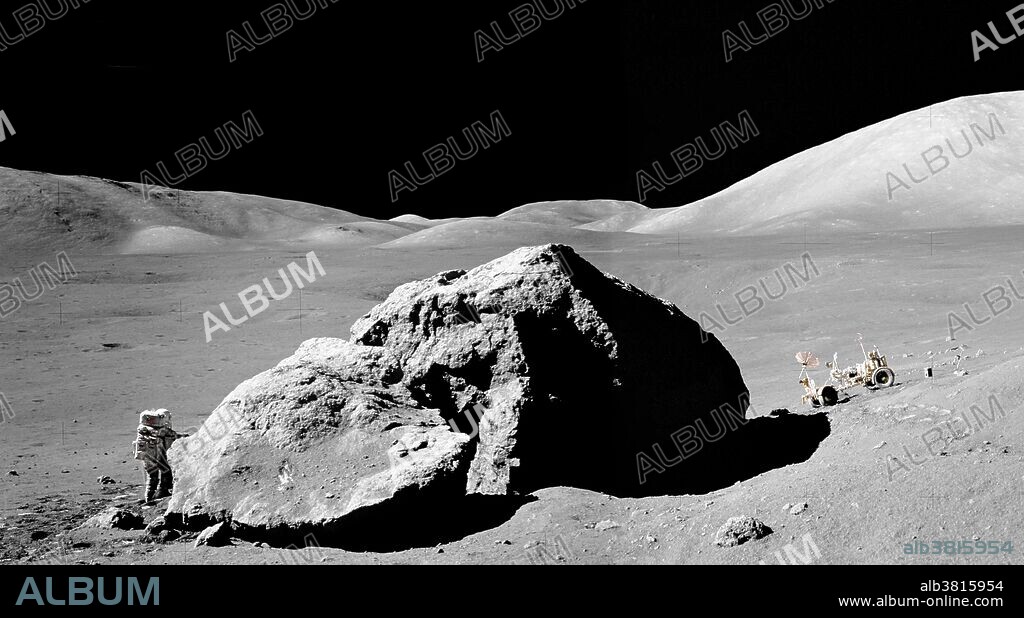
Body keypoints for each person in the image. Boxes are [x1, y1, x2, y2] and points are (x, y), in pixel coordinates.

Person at [133, 409, 182, 504]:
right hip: (158, 457)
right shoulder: (162, 430)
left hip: (146, 458)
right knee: (166, 472)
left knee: (151, 477)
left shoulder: (142, 428)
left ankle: (149, 498)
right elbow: (174, 435)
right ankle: (163, 491)